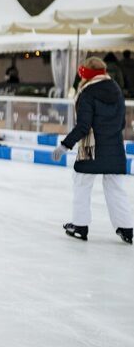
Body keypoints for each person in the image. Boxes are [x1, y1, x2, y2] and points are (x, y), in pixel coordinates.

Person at [53, 57, 133, 245]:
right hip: (115, 147)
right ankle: (127, 228)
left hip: (92, 149)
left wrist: (65, 145)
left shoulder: (87, 93)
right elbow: (121, 123)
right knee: (116, 188)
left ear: (86, 74)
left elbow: (83, 126)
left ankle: (80, 226)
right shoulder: (116, 89)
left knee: (81, 184)